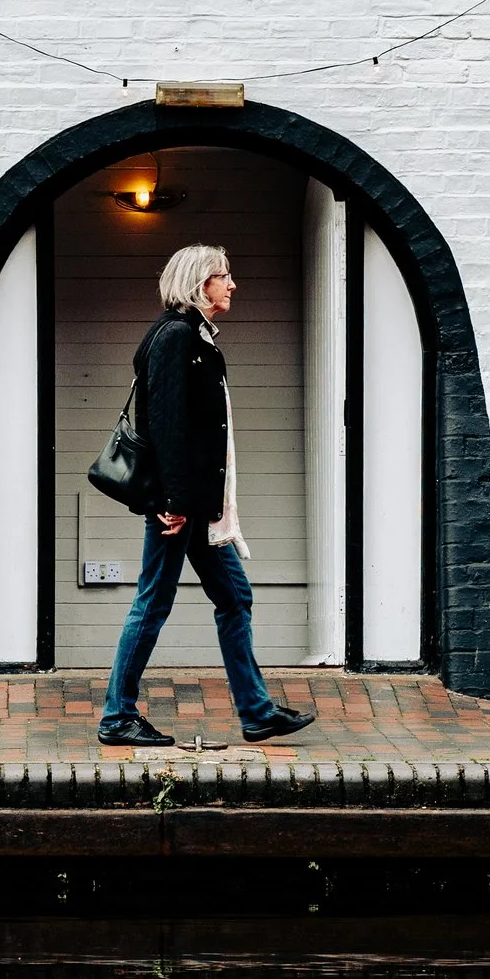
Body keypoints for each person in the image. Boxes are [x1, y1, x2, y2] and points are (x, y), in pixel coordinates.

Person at [97, 245, 315, 749]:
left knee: (235, 597)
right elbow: (169, 424)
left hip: (199, 504)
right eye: (223, 276)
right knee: (152, 603)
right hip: (179, 505)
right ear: (199, 283)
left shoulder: (195, 336)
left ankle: (256, 713)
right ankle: (116, 717)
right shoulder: (175, 336)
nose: (232, 284)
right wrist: (172, 501)